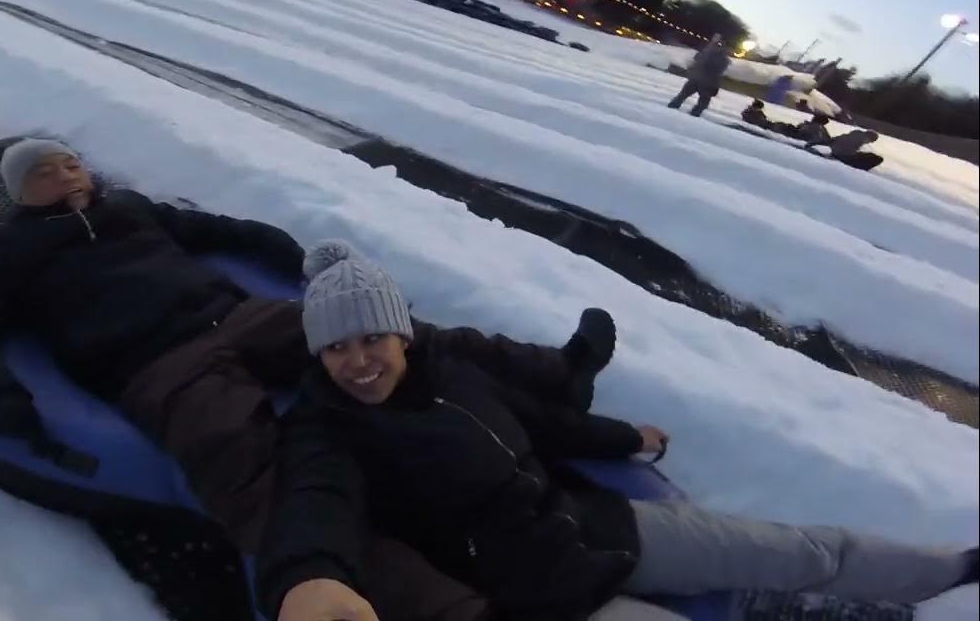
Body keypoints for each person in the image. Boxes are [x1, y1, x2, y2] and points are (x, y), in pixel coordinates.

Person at [0, 139, 615, 621]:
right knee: (258, 476)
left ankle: (559, 374)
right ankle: (439, 607)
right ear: (21, 191)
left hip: (239, 318)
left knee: (400, 338)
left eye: (72, 162)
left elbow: (217, 228)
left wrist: (285, 253)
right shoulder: (5, 252)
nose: (68, 174)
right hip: (159, 365)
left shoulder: (129, 208)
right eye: (47, 171)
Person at [257, 240, 979, 621]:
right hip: (549, 596)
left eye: (370, 340)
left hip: (599, 526)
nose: (356, 363)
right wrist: (308, 581)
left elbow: (537, 422)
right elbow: (314, 506)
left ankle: (955, 574)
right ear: (317, 353)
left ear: (403, 335)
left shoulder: (449, 373)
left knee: (807, 549)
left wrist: (622, 439)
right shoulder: (327, 430)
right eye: (335, 348)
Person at [667, 40, 731, 117]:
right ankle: (694, 114)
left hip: (695, 79)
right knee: (703, 102)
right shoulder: (724, 60)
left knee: (682, 96)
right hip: (707, 83)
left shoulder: (705, 53)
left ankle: (671, 108)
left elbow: (696, 61)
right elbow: (718, 72)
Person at [811, 129, 884, 170]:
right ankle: (861, 168)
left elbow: (832, 140)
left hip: (836, 153)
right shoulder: (862, 138)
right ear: (869, 137)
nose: (869, 143)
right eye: (871, 141)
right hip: (844, 156)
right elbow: (849, 149)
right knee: (877, 158)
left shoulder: (849, 135)